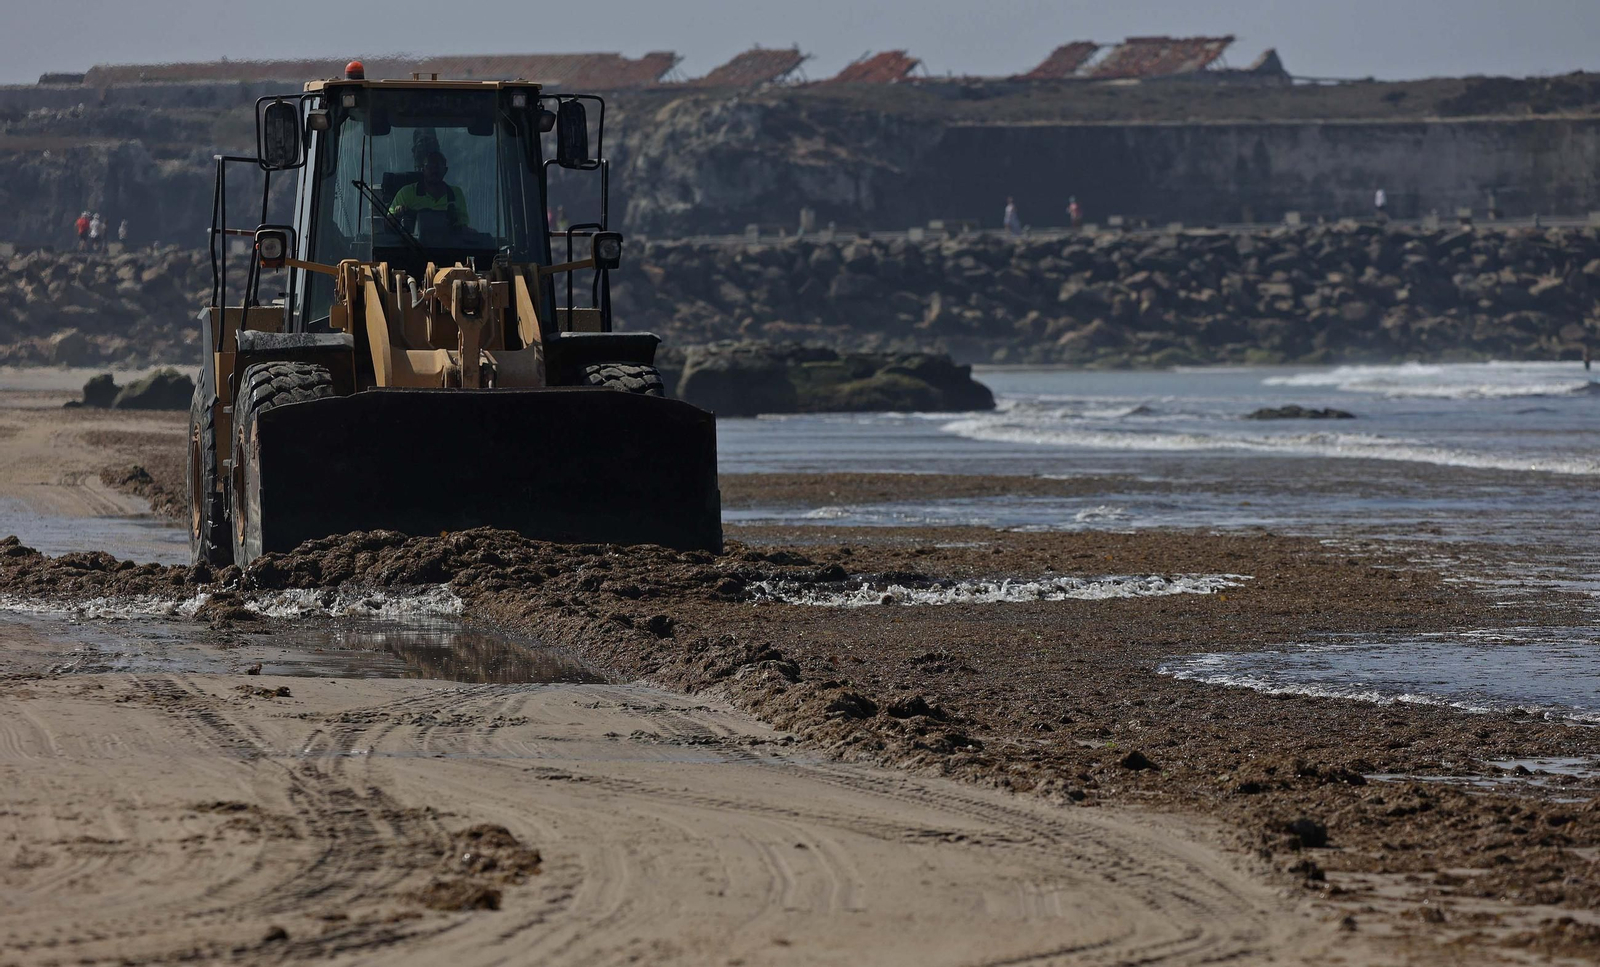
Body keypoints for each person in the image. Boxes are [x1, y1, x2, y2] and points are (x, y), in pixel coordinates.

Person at [388, 151, 468, 230]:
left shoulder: (455, 194)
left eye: (438, 167)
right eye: (430, 167)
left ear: (445, 170)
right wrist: (397, 215)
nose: (434, 171)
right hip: (411, 242)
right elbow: (388, 221)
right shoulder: (406, 193)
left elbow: (463, 227)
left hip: (448, 242)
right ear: (423, 170)